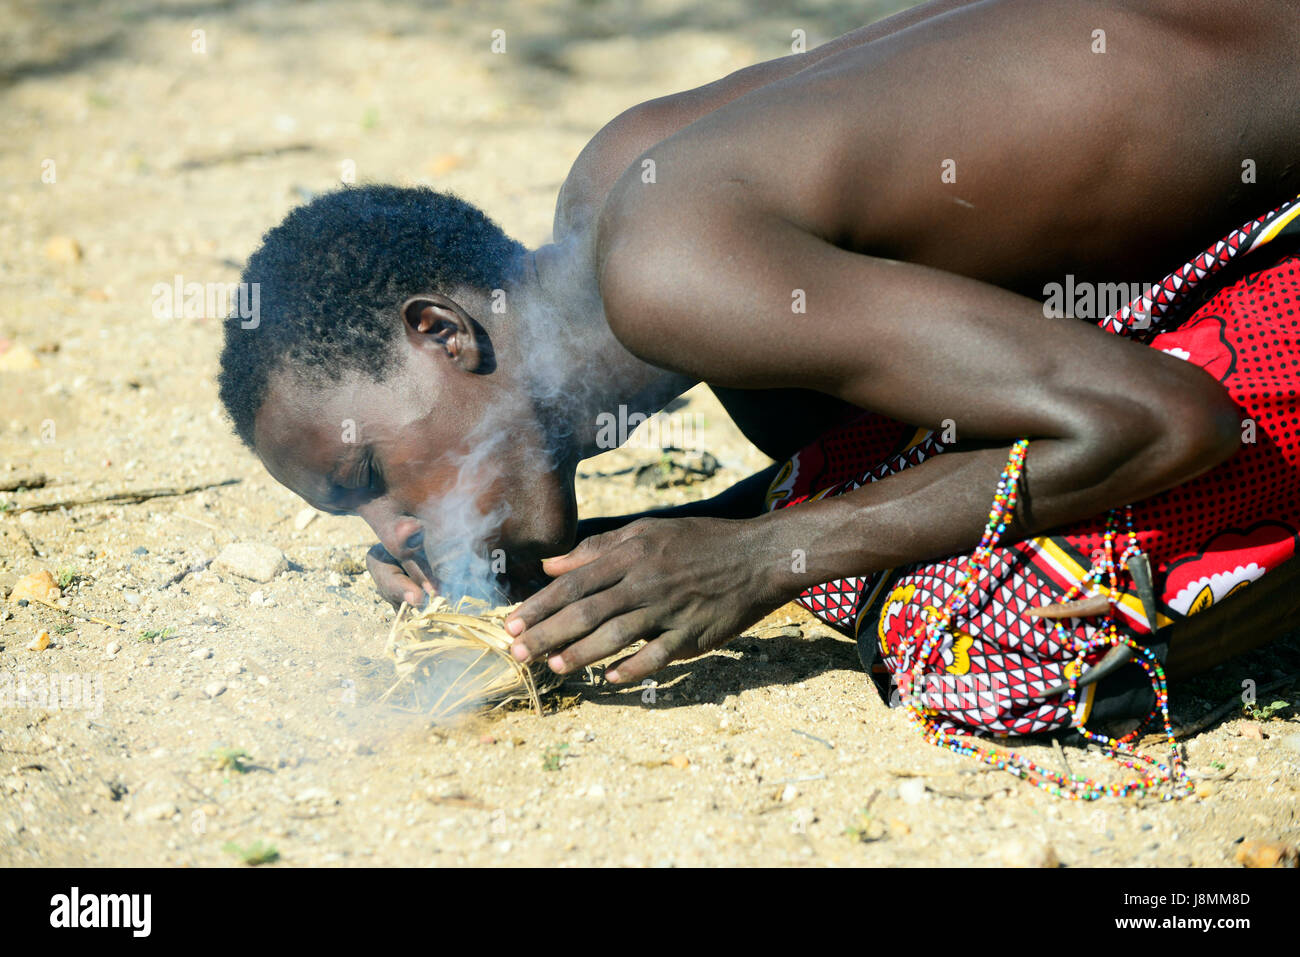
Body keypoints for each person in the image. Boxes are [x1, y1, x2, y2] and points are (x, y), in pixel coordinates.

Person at [218, 0, 1300, 743]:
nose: (393, 534)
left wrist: (764, 557)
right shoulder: (620, 200)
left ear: (441, 336)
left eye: (365, 478)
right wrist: (603, 560)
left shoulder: (670, 270)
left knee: (983, 631)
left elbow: (1156, 421)